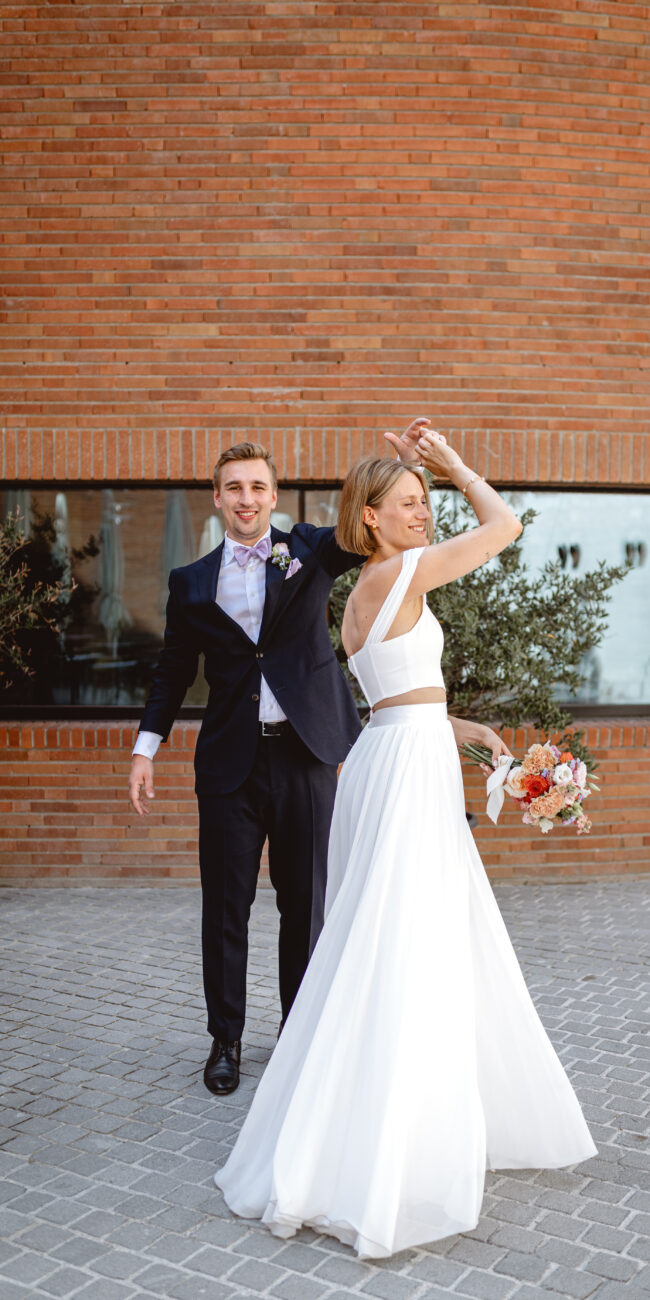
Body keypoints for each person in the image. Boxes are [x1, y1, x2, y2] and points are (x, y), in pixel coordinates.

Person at [214, 433, 597, 1258]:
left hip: (391, 753)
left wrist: (464, 725)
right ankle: (394, 1136)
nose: (425, 513)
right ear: (371, 518)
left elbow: (395, 697)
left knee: (382, 933)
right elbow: (504, 528)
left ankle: (365, 1108)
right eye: (411, 503)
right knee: (408, 938)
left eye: (427, 501)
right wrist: (456, 465)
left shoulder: (360, 594)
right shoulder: (407, 571)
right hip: (405, 771)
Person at [129, 423, 451, 1096]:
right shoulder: (190, 583)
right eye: (234, 488)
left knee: (305, 907)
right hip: (230, 767)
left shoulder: (307, 549)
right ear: (217, 498)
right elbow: (172, 671)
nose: (246, 498)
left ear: (273, 496)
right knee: (226, 908)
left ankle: (298, 1036)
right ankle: (225, 1040)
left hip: (308, 755)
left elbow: (376, 524)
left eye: (258, 487)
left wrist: (404, 471)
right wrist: (145, 749)